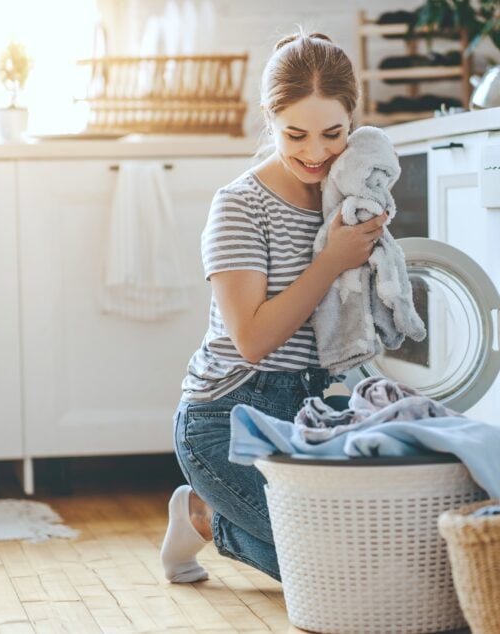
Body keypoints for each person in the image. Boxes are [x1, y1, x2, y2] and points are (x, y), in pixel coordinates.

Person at [160, 30, 389, 583]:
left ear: (353, 122)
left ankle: (221, 516)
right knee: (337, 576)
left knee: (382, 550)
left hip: (310, 410)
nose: (315, 153)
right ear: (269, 119)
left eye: (333, 134)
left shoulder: (351, 196)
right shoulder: (240, 207)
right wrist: (331, 259)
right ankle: (204, 514)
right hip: (226, 418)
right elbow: (254, 340)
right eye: (296, 135)